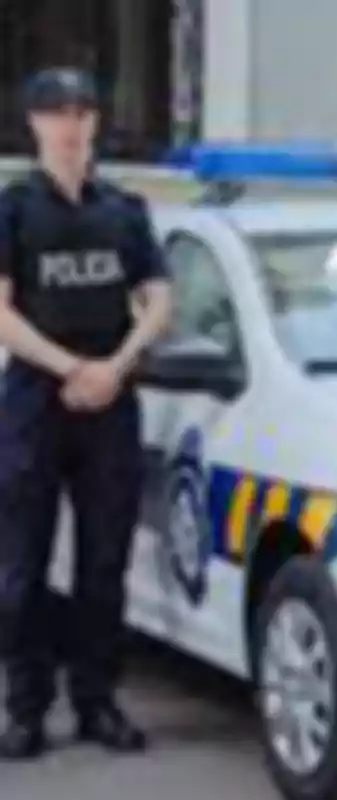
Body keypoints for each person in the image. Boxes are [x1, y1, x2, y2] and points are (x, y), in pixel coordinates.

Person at [0, 68, 172, 760]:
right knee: (22, 566)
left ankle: (97, 702)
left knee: (105, 564)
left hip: (111, 400)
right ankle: (25, 709)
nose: (70, 123)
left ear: (96, 121)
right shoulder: (14, 209)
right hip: (37, 401)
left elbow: (159, 301)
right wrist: (71, 368)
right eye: (56, 112)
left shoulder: (126, 210)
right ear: (35, 124)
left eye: (81, 110)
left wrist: (116, 364)